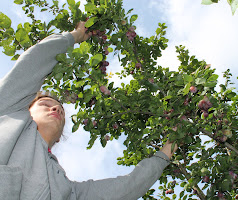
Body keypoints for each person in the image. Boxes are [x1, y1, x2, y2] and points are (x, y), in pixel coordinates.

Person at [0, 21, 177, 200]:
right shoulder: (8, 112)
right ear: (26, 109)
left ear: (60, 137)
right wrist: (76, 35)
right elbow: (34, 61)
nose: (55, 108)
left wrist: (166, 152)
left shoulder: (67, 190)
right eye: (45, 104)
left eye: (61, 110)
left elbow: (125, 188)